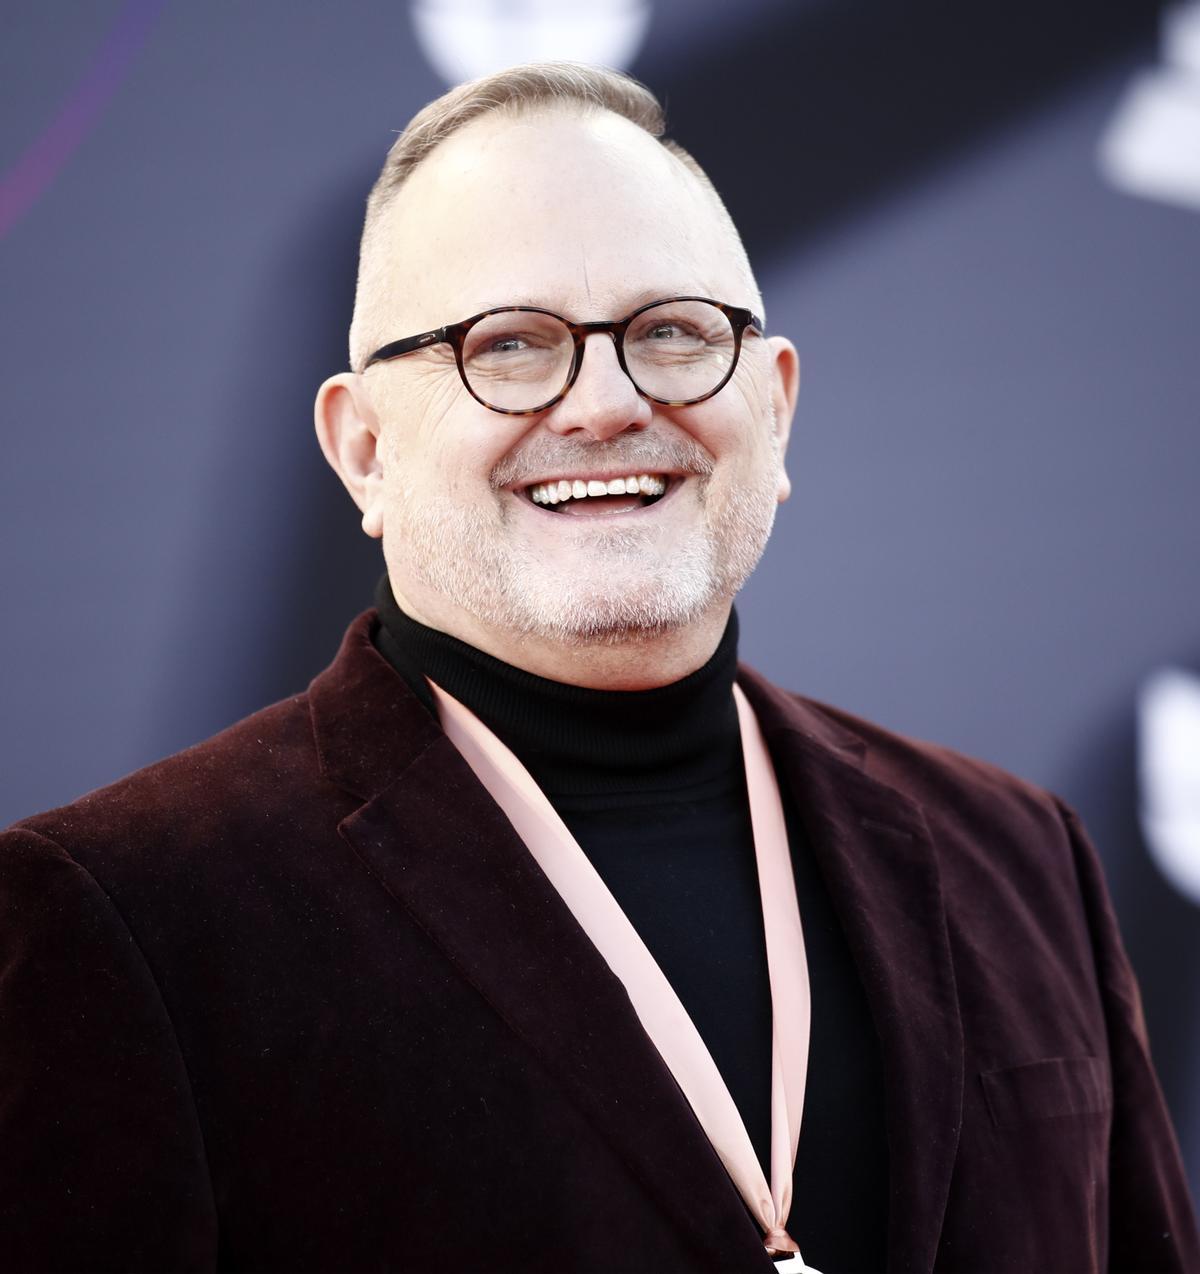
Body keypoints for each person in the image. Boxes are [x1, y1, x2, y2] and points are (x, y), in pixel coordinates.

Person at [0, 62, 1196, 1274]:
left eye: (674, 332)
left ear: (774, 409)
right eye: (508, 345)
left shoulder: (1019, 853)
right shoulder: (126, 918)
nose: (606, 402)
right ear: (362, 448)